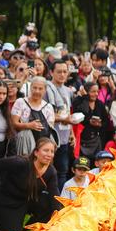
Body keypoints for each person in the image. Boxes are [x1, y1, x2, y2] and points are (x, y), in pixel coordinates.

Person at [0, 138, 61, 231]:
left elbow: (55, 196)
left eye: (52, 151)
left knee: (50, 206)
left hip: (27, 201)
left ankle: (31, 229)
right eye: (46, 150)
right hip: (7, 201)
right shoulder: (20, 162)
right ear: (36, 152)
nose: (49, 154)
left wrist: (59, 216)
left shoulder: (51, 172)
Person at [45, 59, 75, 190]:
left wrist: (72, 133)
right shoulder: (47, 90)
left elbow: (67, 113)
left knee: (63, 171)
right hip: (51, 137)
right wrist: (64, 119)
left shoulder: (68, 91)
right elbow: (45, 115)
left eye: (65, 71)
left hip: (65, 136)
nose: (62, 74)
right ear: (51, 72)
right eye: (59, 72)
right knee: (50, 172)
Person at [11, 77, 57, 154]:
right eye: (34, 88)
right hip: (25, 142)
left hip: (42, 145)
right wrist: (29, 125)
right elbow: (13, 124)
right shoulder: (21, 102)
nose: (37, 91)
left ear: (45, 90)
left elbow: (50, 128)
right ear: (30, 88)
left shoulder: (48, 107)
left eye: (40, 89)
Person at [72, 82, 110, 159]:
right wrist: (85, 97)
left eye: (97, 92)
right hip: (81, 141)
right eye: (93, 91)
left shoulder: (100, 104)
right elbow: (79, 115)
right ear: (86, 91)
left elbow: (106, 121)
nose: (96, 94)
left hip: (96, 141)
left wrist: (100, 124)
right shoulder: (79, 101)